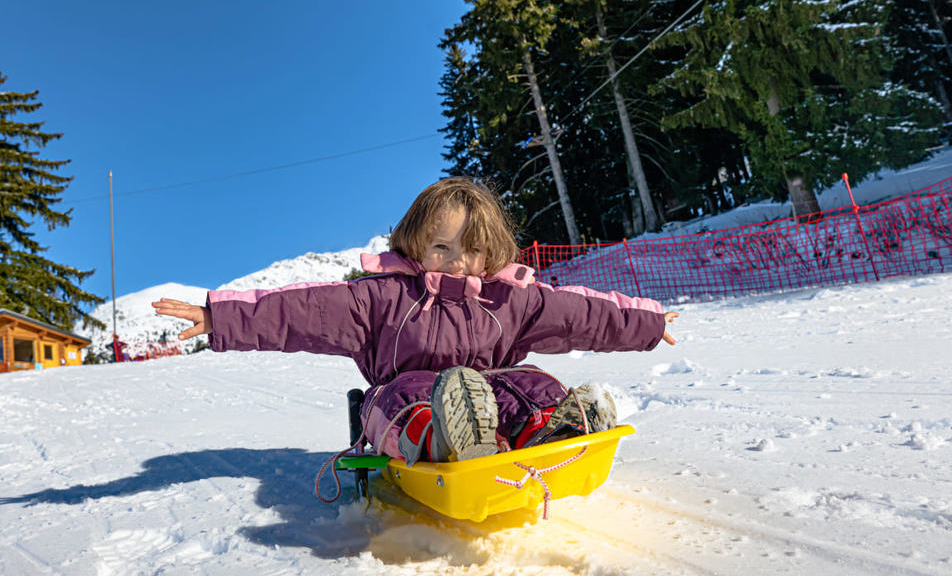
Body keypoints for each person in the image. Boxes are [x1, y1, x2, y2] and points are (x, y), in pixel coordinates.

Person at [153, 177, 678, 465]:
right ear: (415, 245)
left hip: (485, 392)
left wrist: (646, 324)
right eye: (441, 248)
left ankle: (550, 426)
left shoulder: (509, 298)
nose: (456, 261)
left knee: (527, 381)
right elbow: (300, 311)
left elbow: (579, 316)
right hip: (407, 391)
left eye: (471, 249)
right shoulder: (382, 296)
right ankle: (436, 436)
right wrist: (217, 317)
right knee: (402, 395)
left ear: (490, 250)